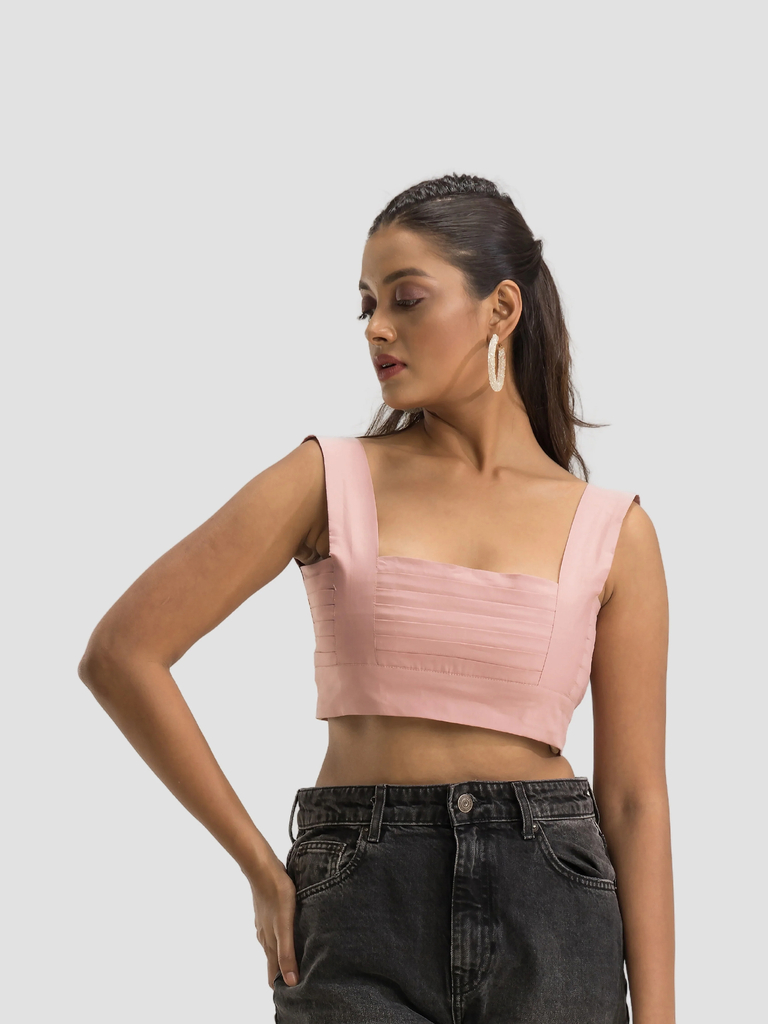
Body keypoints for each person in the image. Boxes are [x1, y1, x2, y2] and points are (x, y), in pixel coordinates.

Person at [78, 172, 674, 1024]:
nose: (377, 328)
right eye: (366, 306)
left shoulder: (614, 530)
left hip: (554, 905)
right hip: (359, 903)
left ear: (501, 309)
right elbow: (122, 654)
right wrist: (259, 867)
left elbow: (634, 802)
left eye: (407, 299)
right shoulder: (326, 479)